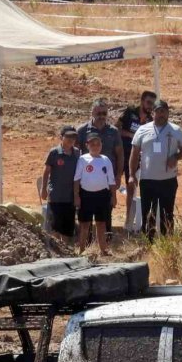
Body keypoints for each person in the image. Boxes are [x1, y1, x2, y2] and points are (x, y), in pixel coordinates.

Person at [127, 99, 182, 241]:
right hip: (148, 180)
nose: (161, 114)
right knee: (148, 213)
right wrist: (131, 175)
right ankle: (149, 244)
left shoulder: (175, 130)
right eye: (158, 111)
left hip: (168, 180)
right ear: (152, 113)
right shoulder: (142, 130)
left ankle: (167, 243)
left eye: (164, 111)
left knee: (167, 213)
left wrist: (176, 156)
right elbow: (134, 153)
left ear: (168, 113)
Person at [77, 98, 123, 235]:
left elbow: (120, 155)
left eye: (104, 113)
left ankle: (106, 240)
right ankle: (87, 241)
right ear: (92, 112)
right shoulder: (82, 130)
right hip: (87, 180)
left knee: (106, 210)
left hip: (107, 180)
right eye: (99, 113)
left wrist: (119, 175)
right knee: (86, 212)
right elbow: (75, 153)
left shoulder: (113, 132)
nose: (102, 116)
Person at [117, 90, 156, 229]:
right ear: (142, 101)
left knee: (132, 187)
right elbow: (117, 129)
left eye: (153, 104)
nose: (150, 106)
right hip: (122, 154)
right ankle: (121, 217)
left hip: (138, 158)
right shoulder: (129, 112)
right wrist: (132, 135)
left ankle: (132, 220)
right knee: (116, 184)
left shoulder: (151, 120)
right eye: (148, 102)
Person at [74, 132, 117, 256]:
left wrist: (113, 196)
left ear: (101, 145)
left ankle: (103, 249)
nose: (95, 146)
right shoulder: (83, 159)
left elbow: (111, 180)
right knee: (84, 224)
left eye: (98, 144)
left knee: (101, 223)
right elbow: (76, 179)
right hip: (86, 195)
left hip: (102, 196)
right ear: (87, 145)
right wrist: (76, 196)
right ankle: (82, 249)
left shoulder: (106, 160)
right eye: (92, 144)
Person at [41, 126, 81, 240]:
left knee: (67, 229)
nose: (71, 139)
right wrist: (43, 189)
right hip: (56, 196)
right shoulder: (54, 152)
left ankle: (65, 252)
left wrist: (77, 195)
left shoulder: (77, 153)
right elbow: (46, 171)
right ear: (61, 137)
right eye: (68, 136)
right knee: (54, 228)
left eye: (73, 136)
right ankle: (55, 251)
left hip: (70, 197)